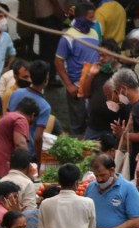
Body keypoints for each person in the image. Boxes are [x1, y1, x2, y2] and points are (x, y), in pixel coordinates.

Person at [0, 98, 38, 203]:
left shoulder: (7, 116)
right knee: (1, 211)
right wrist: (28, 170)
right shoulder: (20, 119)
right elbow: (20, 145)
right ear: (32, 115)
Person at [56, 2, 100, 135]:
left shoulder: (94, 33)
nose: (94, 20)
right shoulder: (68, 37)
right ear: (81, 18)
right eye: (91, 17)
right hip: (77, 87)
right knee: (77, 122)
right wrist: (69, 85)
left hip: (93, 85)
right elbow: (58, 62)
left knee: (92, 121)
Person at [7, 60, 52, 164]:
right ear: (47, 78)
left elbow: (7, 117)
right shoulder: (45, 106)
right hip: (27, 153)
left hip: (9, 149)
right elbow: (37, 137)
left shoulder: (16, 93)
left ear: (30, 76)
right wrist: (39, 160)